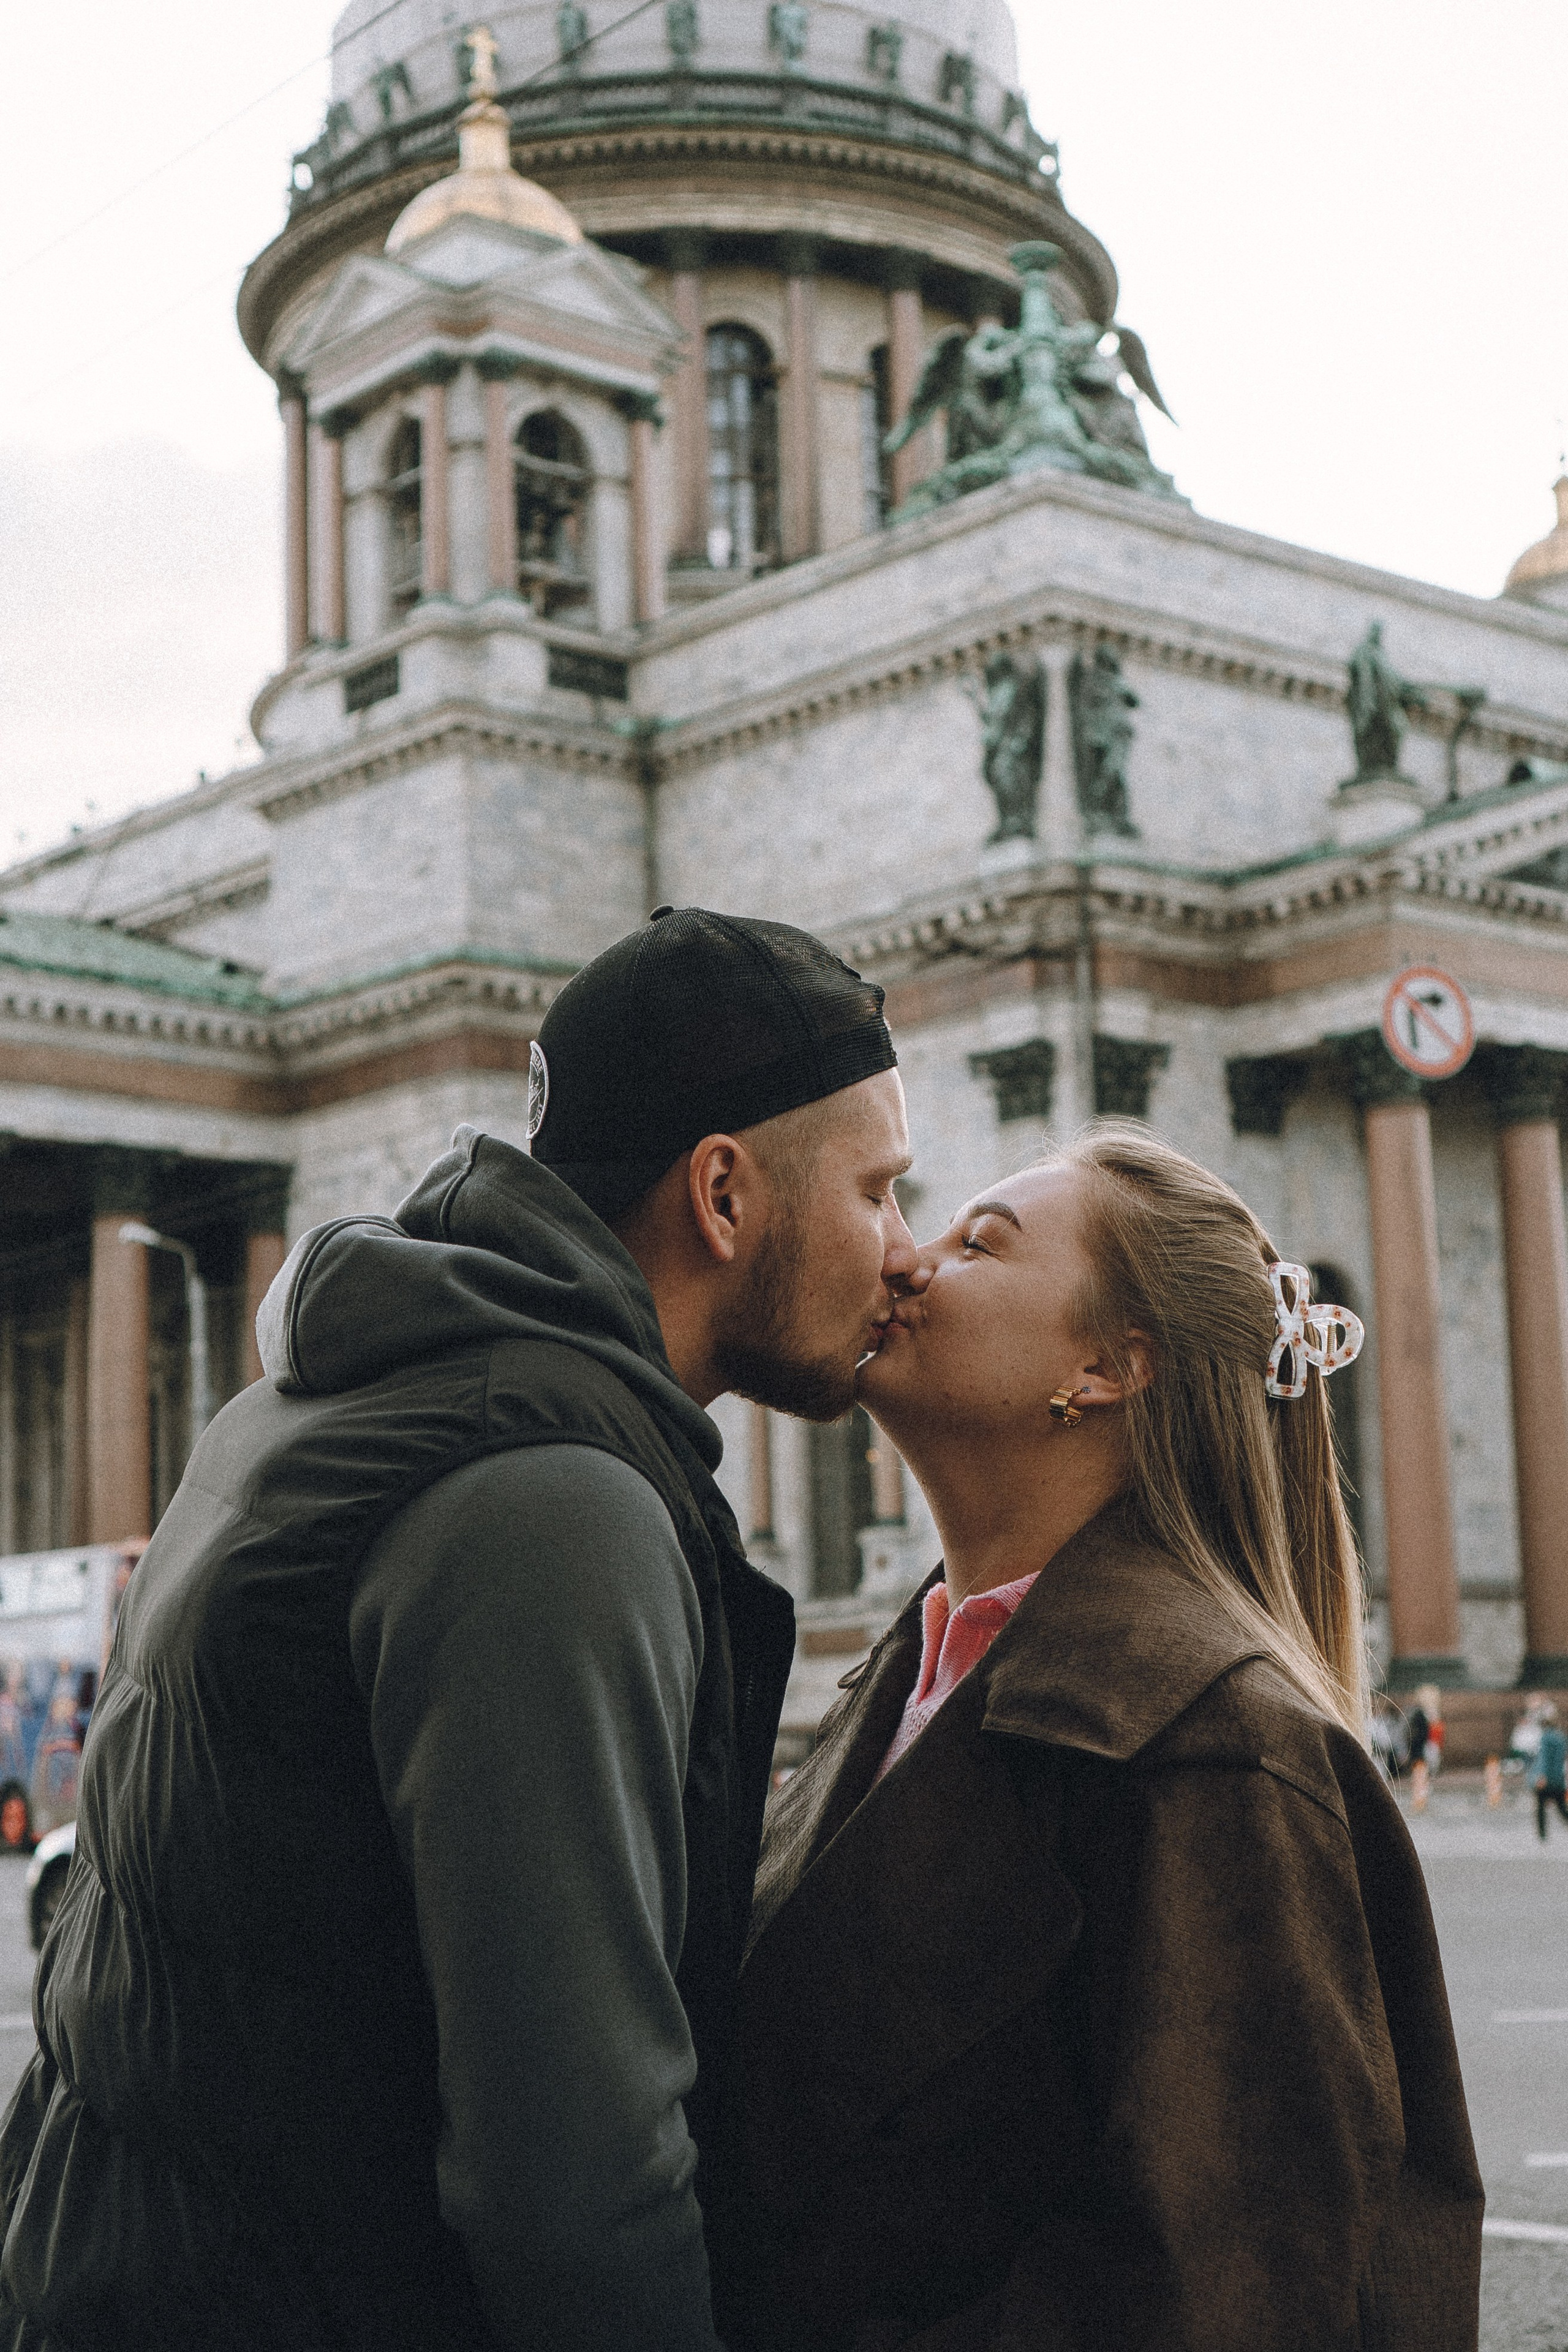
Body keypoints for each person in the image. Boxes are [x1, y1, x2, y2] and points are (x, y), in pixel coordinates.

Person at [0, 907, 916, 2352]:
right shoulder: (547, 1498)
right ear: (724, 1193)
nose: (901, 1251)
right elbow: (576, 2180)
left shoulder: (345, 1389)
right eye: (878, 1189)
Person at [712, 1124, 1482, 2352]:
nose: (906, 1258)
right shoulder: (916, 1676)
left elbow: (1223, 2290)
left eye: (980, 1242)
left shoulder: (1217, 1747)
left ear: (1110, 1366)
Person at [1534, 1702, 1568, 1841]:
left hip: (1547, 1778)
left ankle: (1542, 1834)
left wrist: (1542, 1776)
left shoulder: (1545, 1738)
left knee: (1541, 1807)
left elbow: (1544, 1759)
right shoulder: (1561, 1737)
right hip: (1559, 1778)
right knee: (1562, 1808)